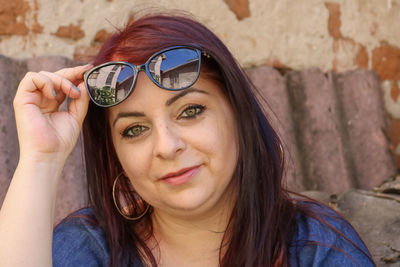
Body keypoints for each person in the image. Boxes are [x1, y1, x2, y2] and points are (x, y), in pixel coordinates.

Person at [0, 13, 375, 267]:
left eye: (190, 111)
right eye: (134, 129)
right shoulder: (90, 248)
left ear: (238, 116)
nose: (166, 146)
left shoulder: (316, 249)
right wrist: (41, 159)